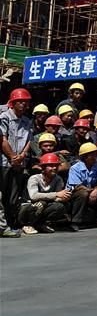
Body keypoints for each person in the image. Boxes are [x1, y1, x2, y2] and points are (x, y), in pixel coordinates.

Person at [2, 88, 34, 230]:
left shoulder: (27, 121)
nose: (22, 104)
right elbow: (2, 138)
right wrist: (12, 157)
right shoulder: (5, 117)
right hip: (4, 162)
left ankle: (11, 223)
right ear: (12, 103)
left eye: (25, 102)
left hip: (19, 163)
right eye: (19, 101)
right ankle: (2, 225)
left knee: (13, 197)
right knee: (1, 193)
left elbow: (29, 141)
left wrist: (21, 156)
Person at [19, 153, 70, 234]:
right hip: (27, 206)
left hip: (44, 205)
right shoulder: (34, 178)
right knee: (40, 204)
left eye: (56, 165)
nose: (54, 168)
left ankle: (39, 224)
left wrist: (64, 197)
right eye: (50, 165)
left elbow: (57, 198)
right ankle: (27, 225)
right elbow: (33, 196)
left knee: (60, 206)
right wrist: (56, 194)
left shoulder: (58, 179)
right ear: (43, 167)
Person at [67, 142, 97, 229]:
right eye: (92, 155)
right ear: (85, 156)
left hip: (92, 191)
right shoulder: (75, 168)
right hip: (74, 195)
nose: (94, 157)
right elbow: (78, 186)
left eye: (95, 155)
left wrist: (96, 191)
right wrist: (93, 192)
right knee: (83, 193)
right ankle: (75, 222)